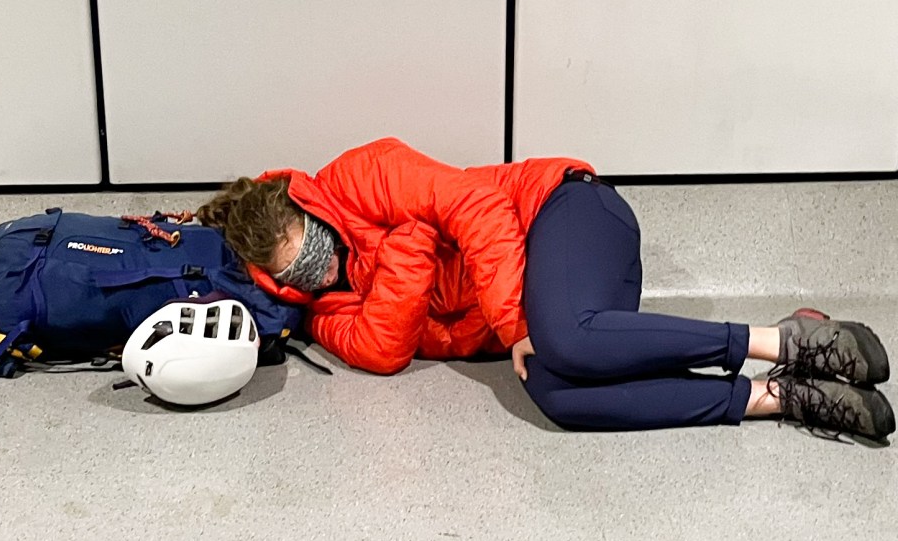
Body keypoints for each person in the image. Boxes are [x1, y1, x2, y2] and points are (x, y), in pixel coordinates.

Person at [198, 137, 895, 441]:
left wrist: (511, 323)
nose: (320, 272)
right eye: (297, 274)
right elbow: (385, 350)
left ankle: (782, 342)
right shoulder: (319, 313)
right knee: (559, 396)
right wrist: (409, 246)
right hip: (552, 308)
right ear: (274, 281)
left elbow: (474, 207)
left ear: (311, 211)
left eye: (316, 248)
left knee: (557, 338)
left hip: (562, 213)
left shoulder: (360, 175)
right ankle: (779, 399)